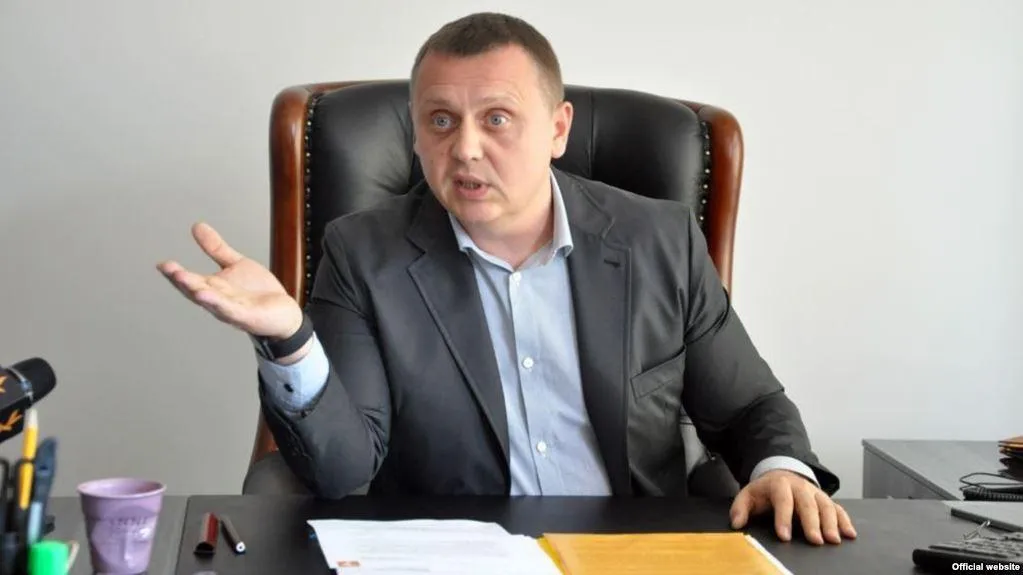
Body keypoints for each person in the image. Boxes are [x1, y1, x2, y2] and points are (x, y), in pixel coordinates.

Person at [158, 12, 857, 546]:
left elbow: (747, 406)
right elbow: (342, 470)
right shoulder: (362, 254)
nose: (465, 148)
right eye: (440, 121)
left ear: (557, 128)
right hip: (454, 555)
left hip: (628, 551)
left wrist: (779, 469)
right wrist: (289, 339)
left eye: (497, 119)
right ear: (415, 134)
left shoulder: (657, 240)